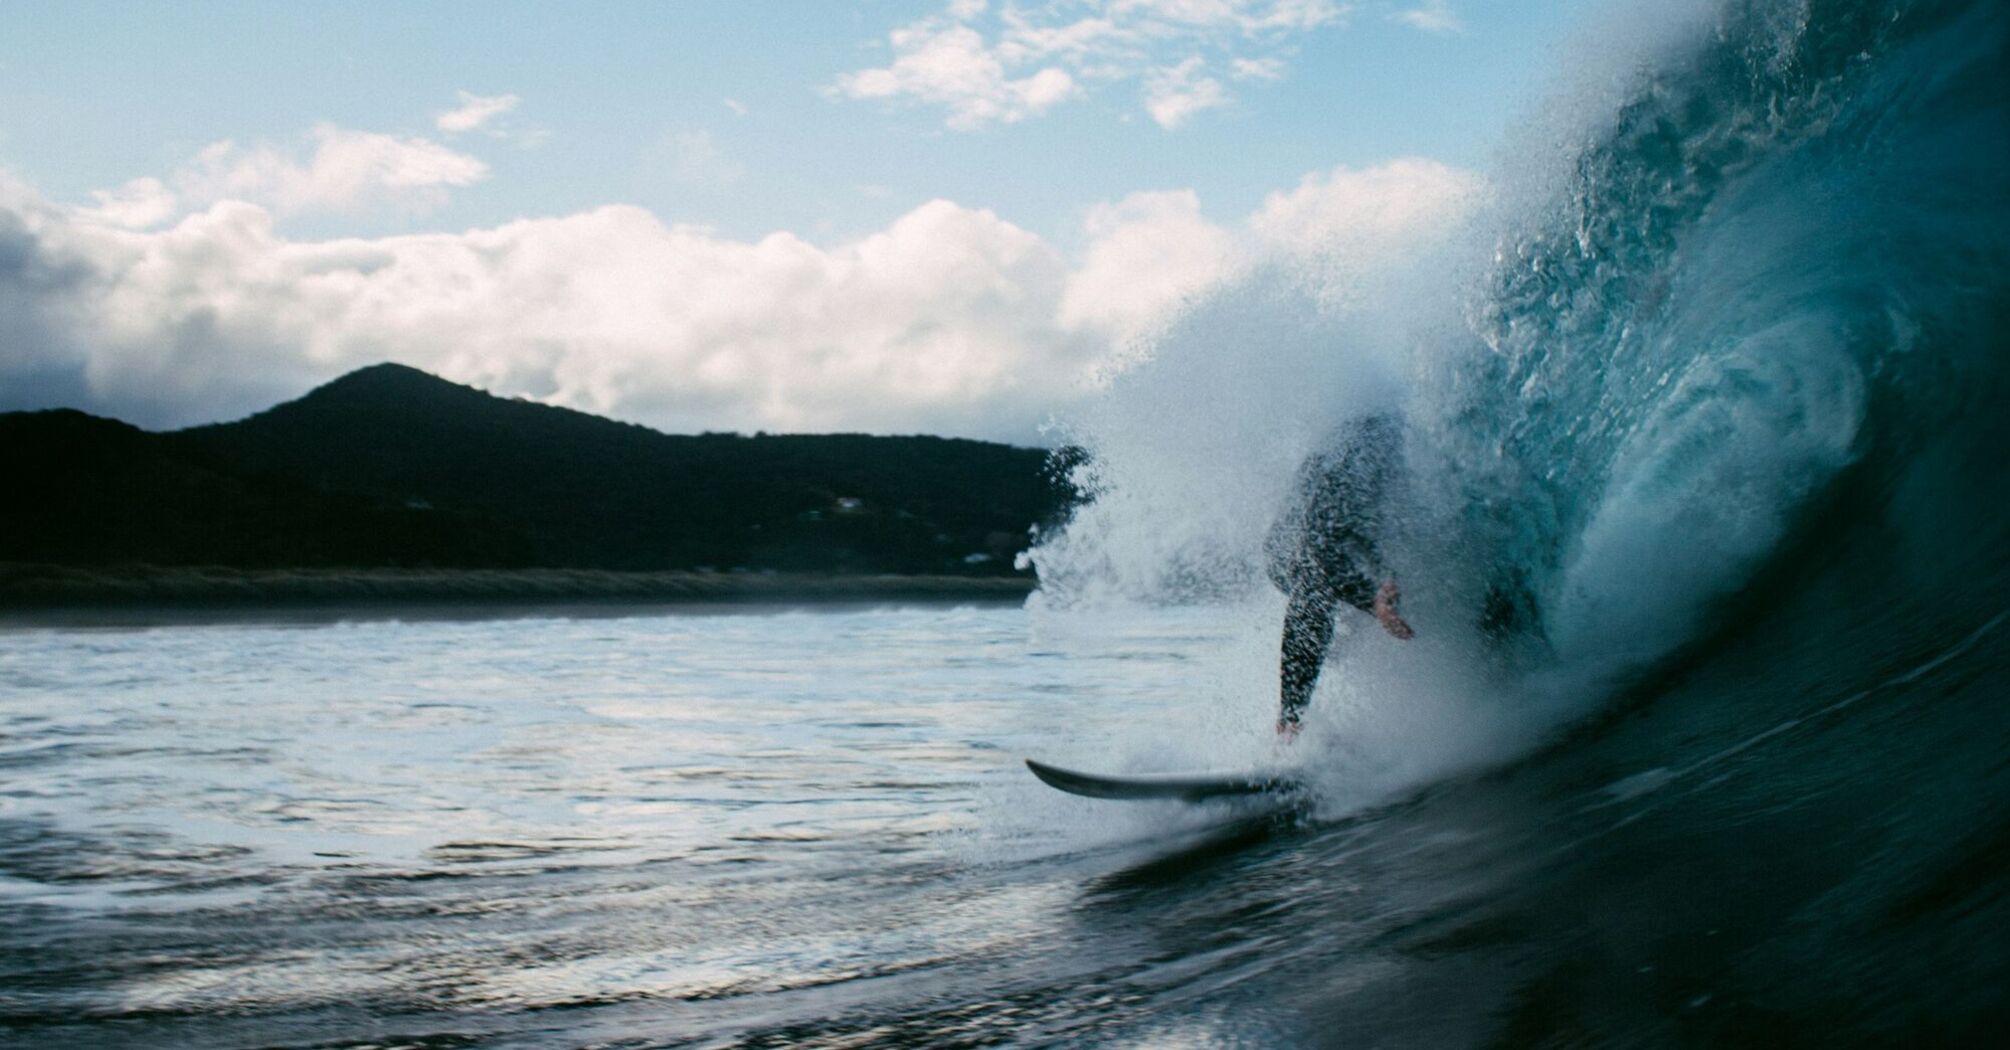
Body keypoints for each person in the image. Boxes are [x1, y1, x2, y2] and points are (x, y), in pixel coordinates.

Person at [1263, 413, 1413, 739]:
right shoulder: (1351, 463)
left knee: (1354, 609)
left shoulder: (1404, 462)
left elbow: (1374, 537)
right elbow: (1321, 545)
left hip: (1340, 544)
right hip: (1290, 549)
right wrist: (1374, 601)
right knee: (1318, 586)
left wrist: (1385, 582)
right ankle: (1290, 724)